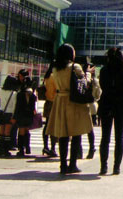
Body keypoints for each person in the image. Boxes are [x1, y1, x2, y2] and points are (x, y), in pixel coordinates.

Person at [46, 43, 93, 175]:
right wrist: (88, 73)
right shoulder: (74, 67)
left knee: (63, 134)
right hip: (74, 101)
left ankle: (62, 165)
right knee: (76, 133)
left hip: (60, 100)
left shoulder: (56, 68)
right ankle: (73, 164)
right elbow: (85, 82)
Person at [98, 47, 123, 175]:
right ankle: (116, 167)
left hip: (106, 104)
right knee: (119, 138)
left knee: (105, 137)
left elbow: (102, 86)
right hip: (120, 106)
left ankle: (103, 166)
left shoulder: (104, 71)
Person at [78, 63, 102, 160]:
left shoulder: (81, 79)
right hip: (92, 107)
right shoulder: (95, 81)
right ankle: (92, 148)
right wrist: (95, 99)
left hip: (81, 105)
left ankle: (79, 151)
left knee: (78, 129)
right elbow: (98, 94)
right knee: (90, 129)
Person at [0, 75, 20, 157]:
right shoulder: (14, 93)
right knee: (7, 133)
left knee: (1, 132)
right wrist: (14, 116)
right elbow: (14, 106)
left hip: (1, 112)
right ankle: (5, 150)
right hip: (9, 113)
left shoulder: (1, 91)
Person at [12, 76, 37, 157]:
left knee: (21, 131)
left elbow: (17, 106)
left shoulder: (20, 94)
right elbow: (33, 107)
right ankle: (27, 147)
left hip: (21, 115)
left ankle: (21, 149)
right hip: (29, 115)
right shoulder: (33, 95)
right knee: (27, 130)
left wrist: (14, 117)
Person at [10, 69, 29, 151]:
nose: (20, 78)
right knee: (14, 127)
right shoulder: (16, 83)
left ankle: (25, 145)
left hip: (25, 109)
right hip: (17, 108)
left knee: (24, 128)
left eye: (22, 76)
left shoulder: (28, 84)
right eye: (19, 76)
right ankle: (13, 143)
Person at [41, 62, 58, 157]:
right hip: (54, 103)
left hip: (47, 102)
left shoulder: (47, 76)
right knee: (53, 126)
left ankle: (45, 146)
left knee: (47, 125)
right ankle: (52, 148)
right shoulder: (54, 77)